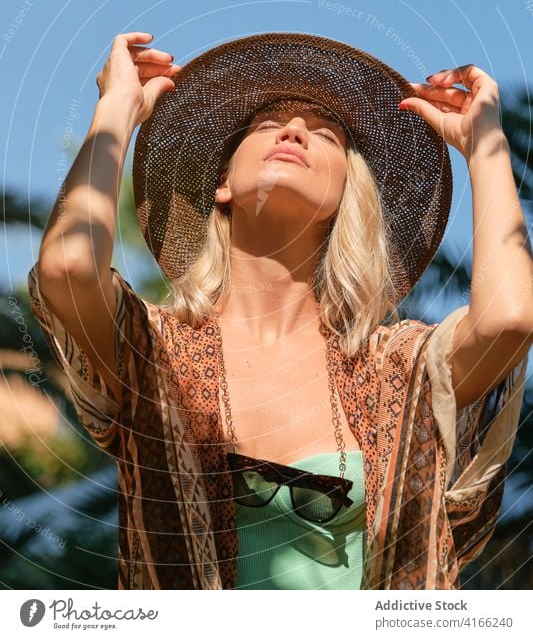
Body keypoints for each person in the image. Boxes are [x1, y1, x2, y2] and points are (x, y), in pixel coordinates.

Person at [27, 31, 532, 591]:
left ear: (346, 194)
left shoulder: (393, 366)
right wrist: (118, 105)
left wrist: (487, 142)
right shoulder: (154, 351)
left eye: (325, 135)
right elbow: (68, 268)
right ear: (223, 184)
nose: (295, 130)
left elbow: (508, 320)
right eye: (268, 125)